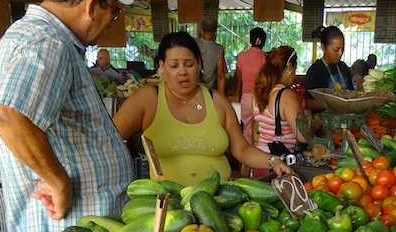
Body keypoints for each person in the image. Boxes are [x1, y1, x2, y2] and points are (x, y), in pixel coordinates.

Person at [0, 0, 135, 232]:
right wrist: (58, 181)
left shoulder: (37, 36)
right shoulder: (47, 41)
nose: (112, 22)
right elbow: (7, 113)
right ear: (93, 4)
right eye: (115, 11)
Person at [112, 31, 293, 186]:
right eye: (174, 65)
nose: (182, 71)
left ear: (199, 64)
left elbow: (242, 150)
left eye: (189, 64)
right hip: (170, 210)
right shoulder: (148, 99)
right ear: (162, 66)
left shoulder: (218, 102)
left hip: (220, 205)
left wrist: (273, 161)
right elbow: (109, 139)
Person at [251, 46, 311, 177]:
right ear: (289, 67)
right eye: (295, 68)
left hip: (260, 161)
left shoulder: (258, 93)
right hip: (280, 166)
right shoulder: (286, 95)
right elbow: (303, 136)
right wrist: (314, 124)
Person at [304, 25, 353, 112]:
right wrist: (335, 104)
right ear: (323, 47)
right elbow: (309, 103)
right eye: (336, 49)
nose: (340, 53)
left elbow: (352, 93)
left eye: (342, 49)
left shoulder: (343, 67)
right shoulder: (315, 70)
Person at [235, 27, 267, 144]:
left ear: (250, 40)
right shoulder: (265, 58)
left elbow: (239, 79)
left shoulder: (241, 57)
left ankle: (247, 158)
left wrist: (238, 94)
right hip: (261, 97)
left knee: (247, 128)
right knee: (262, 128)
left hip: (246, 97)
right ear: (263, 42)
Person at [195, 17, 226, 95]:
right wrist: (222, 98)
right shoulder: (219, 49)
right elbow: (221, 76)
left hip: (192, 90)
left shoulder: (193, 43)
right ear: (215, 32)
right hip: (207, 93)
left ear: (202, 31)